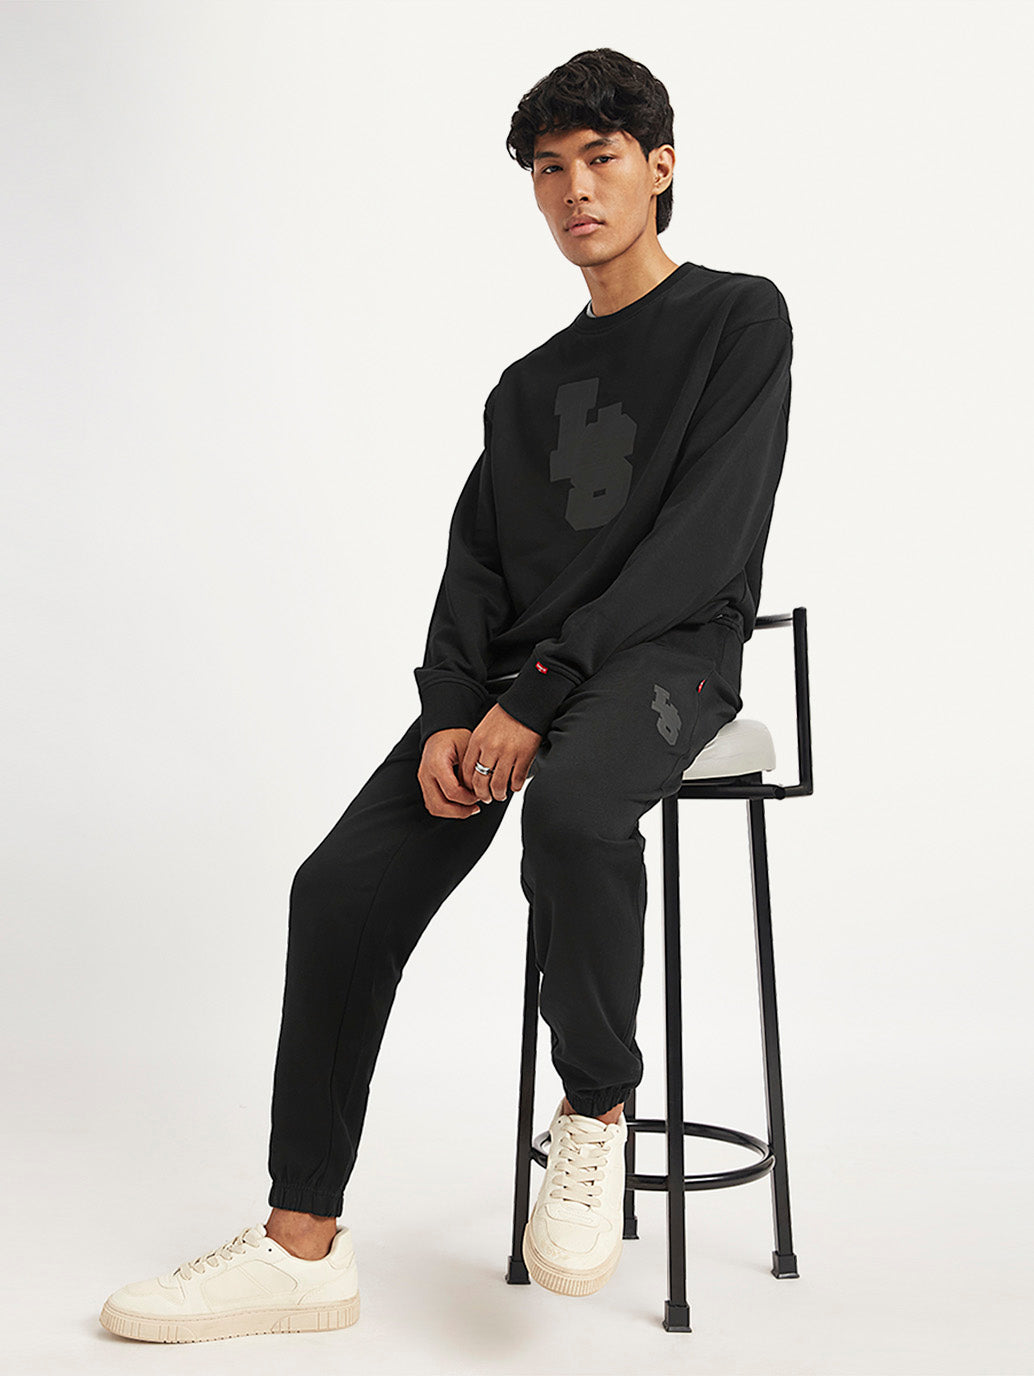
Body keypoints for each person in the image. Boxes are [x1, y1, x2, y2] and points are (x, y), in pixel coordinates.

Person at [99, 45, 793, 1341]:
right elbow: (475, 568)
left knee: (572, 815)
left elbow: (697, 543)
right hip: (517, 685)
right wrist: (446, 714)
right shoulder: (524, 388)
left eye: (600, 158)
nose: (574, 188)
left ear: (659, 166)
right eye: (549, 168)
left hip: (666, 654)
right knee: (337, 887)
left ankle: (595, 1106)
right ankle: (302, 1247)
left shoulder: (738, 318)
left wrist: (537, 693)